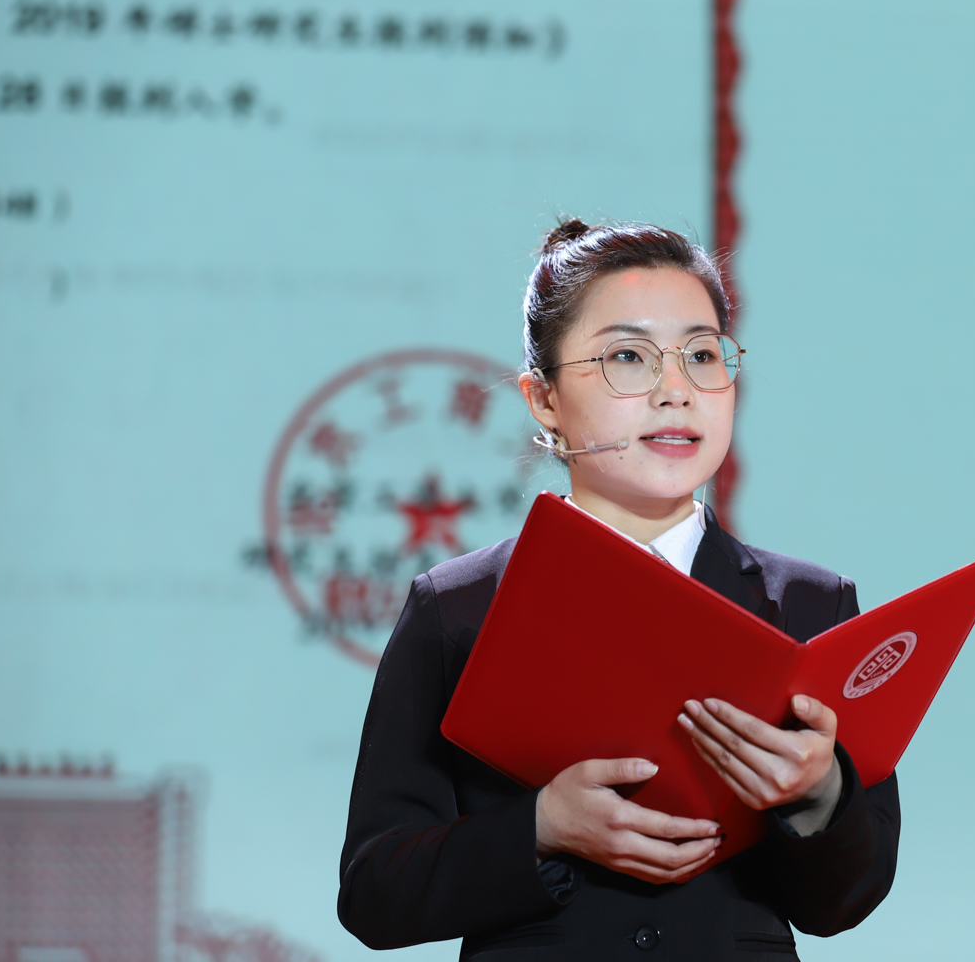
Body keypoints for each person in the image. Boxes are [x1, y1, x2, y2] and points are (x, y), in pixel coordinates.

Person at [338, 220, 899, 960]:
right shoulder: (459, 607)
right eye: (628, 357)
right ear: (544, 398)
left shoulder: (810, 606)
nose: (677, 391)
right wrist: (542, 828)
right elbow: (376, 891)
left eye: (702, 355)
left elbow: (847, 901)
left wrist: (819, 792)